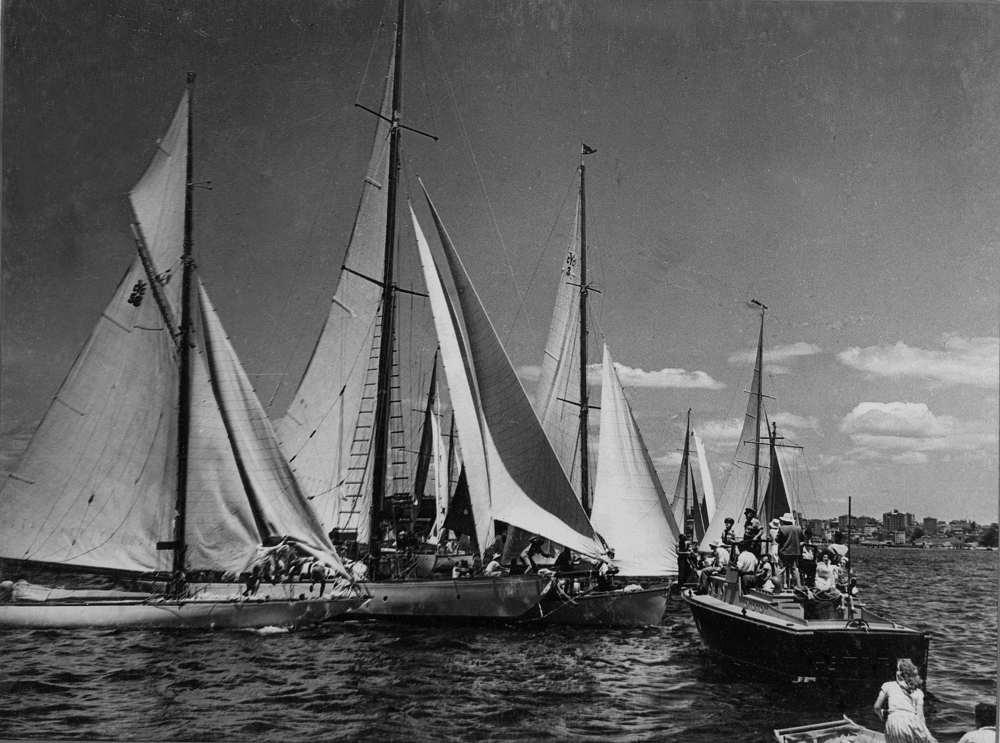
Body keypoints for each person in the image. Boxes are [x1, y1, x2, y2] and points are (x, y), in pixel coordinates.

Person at [873, 658, 936, 742]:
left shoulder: (887, 685)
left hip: (892, 724)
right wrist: (929, 736)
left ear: (898, 673)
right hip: (910, 724)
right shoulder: (918, 692)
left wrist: (882, 716)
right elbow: (920, 717)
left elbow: (876, 707)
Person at [775, 512, 804, 588]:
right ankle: (797, 586)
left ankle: (780, 586)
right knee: (794, 569)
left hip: (784, 553)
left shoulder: (782, 528)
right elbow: (802, 539)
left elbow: (777, 540)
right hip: (795, 553)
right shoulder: (798, 528)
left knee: (781, 569)